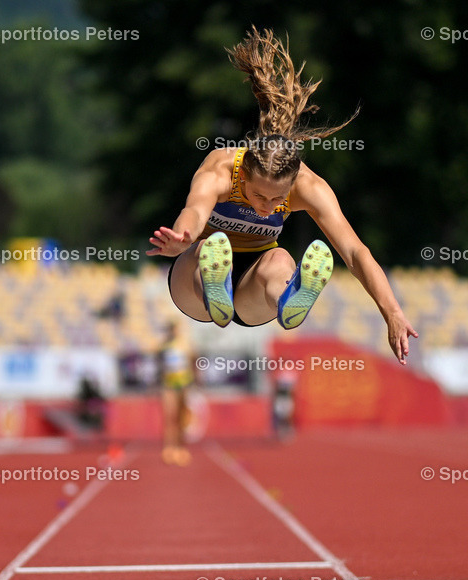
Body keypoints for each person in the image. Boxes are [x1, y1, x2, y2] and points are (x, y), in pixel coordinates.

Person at [146, 27, 417, 363]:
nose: (266, 208)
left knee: (282, 261)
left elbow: (355, 252)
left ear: (291, 185)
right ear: (243, 174)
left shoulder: (309, 186)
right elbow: (195, 212)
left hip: (252, 290)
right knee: (208, 248)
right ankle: (215, 292)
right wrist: (181, 238)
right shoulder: (221, 167)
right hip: (191, 282)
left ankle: (288, 299)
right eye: (259, 196)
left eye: (278, 200)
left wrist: (391, 312)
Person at [158, 321, 194, 466]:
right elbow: (160, 364)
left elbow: (192, 361)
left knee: (181, 418)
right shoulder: (165, 346)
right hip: (169, 385)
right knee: (170, 417)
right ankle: (169, 448)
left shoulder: (185, 345)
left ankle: (180, 448)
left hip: (183, 384)